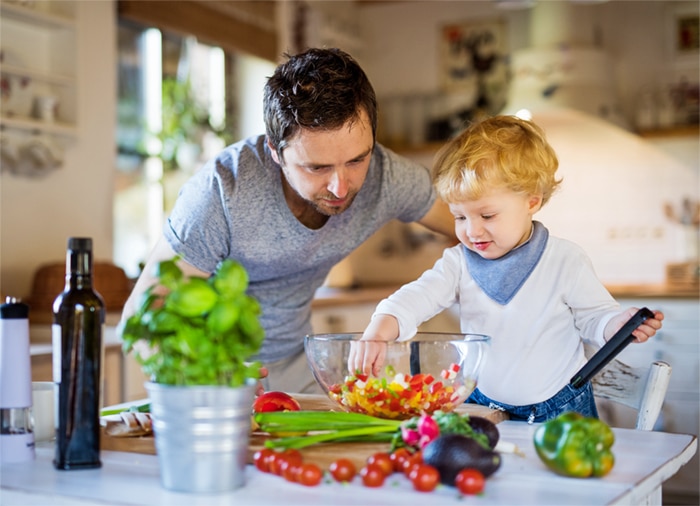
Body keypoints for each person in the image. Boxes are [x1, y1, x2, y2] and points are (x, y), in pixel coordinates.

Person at [119, 47, 455, 394]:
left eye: (357, 160)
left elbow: (476, 229)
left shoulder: (387, 177)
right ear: (275, 152)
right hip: (214, 376)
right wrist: (200, 384)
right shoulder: (222, 192)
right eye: (317, 167)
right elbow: (141, 319)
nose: (341, 186)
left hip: (301, 372)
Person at [352, 115, 664, 423]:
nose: (472, 231)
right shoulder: (459, 262)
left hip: (559, 409)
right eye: (460, 217)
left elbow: (596, 319)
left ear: (531, 202)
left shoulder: (564, 260)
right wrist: (382, 327)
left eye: (487, 215)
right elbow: (417, 297)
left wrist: (619, 325)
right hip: (482, 405)